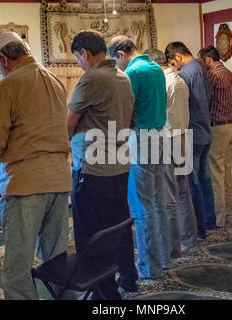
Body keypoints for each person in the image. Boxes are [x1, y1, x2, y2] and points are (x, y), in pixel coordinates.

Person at [0, 32, 72, 300]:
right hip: (59, 181)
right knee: (56, 262)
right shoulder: (54, 80)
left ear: (4, 59)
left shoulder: (9, 85)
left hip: (25, 184)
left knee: (17, 268)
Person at [67, 30, 138, 298]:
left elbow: (68, 124)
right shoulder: (123, 77)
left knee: (91, 235)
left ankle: (104, 293)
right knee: (118, 226)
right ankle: (128, 277)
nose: (78, 63)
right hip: (119, 164)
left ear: (84, 52)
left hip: (94, 169)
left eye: (77, 57)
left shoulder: (91, 79)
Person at [108, 36, 171, 279]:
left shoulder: (132, 72)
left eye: (116, 61)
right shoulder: (155, 67)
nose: (117, 67)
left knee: (142, 207)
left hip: (142, 139)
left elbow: (125, 108)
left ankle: (148, 266)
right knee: (157, 202)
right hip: (159, 135)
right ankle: (163, 259)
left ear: (121, 53)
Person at [145, 48, 198, 255]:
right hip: (183, 137)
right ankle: (190, 239)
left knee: (168, 198)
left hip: (168, 140)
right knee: (183, 193)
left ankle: (173, 247)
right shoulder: (180, 81)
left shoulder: (162, 83)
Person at [165, 42, 216, 240]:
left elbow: (183, 105)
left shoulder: (186, 73)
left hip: (193, 132)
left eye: (172, 63)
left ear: (177, 56)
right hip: (205, 130)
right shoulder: (202, 69)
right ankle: (209, 221)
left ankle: (199, 228)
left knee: (190, 183)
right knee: (204, 180)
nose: (173, 68)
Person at [198, 46, 232, 228]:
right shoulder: (229, 74)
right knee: (226, 172)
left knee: (216, 175)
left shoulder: (212, 75)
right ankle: (229, 213)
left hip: (218, 129)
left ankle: (219, 219)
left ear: (207, 60)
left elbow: (204, 101)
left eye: (201, 62)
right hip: (230, 126)